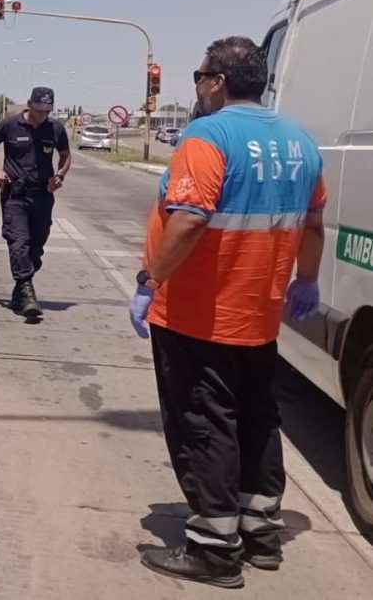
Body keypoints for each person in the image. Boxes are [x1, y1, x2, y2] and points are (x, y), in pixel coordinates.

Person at [130, 37, 327, 589]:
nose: (196, 84)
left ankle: (214, 547)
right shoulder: (301, 143)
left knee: (204, 421)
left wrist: (150, 281)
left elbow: (190, 218)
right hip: (260, 313)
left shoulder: (208, 136)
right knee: (257, 416)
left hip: (200, 313)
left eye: (199, 75)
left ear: (217, 81)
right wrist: (307, 279)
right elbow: (314, 224)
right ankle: (260, 530)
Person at [0, 87, 70, 317]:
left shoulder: (55, 128)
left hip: (42, 196)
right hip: (15, 195)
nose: (43, 115)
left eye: (47, 111)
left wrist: (60, 176)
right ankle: (28, 293)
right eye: (39, 110)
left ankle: (19, 291)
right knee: (19, 242)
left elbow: (65, 155)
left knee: (35, 250)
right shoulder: (10, 125)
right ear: (29, 104)